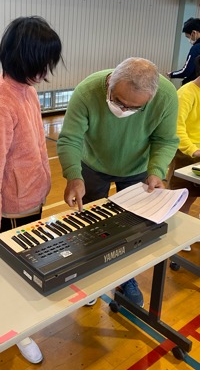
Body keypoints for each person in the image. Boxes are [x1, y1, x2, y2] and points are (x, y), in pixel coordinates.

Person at [0, 16, 63, 364]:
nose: (45, 72)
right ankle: (17, 332)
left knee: (27, 263)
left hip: (31, 198)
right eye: (42, 64)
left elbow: (34, 144)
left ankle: (19, 321)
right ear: (24, 60)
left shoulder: (27, 89)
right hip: (10, 208)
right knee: (13, 274)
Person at [57, 57, 179, 307]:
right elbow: (70, 138)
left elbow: (165, 140)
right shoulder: (87, 90)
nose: (123, 110)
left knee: (131, 228)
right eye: (117, 101)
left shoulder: (166, 97)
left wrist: (156, 171)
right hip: (93, 165)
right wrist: (73, 175)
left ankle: (127, 278)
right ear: (110, 82)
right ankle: (90, 276)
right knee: (89, 225)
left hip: (137, 169)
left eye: (133, 108)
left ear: (150, 98)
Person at [167, 56, 200, 251]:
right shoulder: (186, 93)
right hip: (186, 154)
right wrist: (193, 150)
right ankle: (177, 236)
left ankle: (193, 230)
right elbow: (177, 127)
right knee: (184, 197)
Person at [168, 17, 200, 85]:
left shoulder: (196, 48)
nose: (189, 39)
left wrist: (172, 74)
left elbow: (187, 71)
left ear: (194, 33)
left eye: (188, 37)